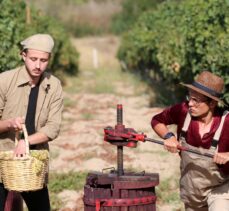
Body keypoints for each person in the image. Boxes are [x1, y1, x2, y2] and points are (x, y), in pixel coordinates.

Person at [0, 34, 63, 211]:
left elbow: (53, 127)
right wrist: (9, 123)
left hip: (34, 163)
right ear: (23, 55)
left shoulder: (54, 85)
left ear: (49, 59)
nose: (37, 65)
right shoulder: (4, 81)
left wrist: (25, 142)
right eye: (33, 59)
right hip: (3, 159)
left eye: (43, 60)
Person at [151, 71, 229, 211]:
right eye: (190, 98)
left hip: (220, 189)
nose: (190, 104)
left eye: (196, 100)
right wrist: (169, 136)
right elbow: (157, 120)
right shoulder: (183, 111)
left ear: (212, 103)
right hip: (192, 191)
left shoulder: (226, 122)